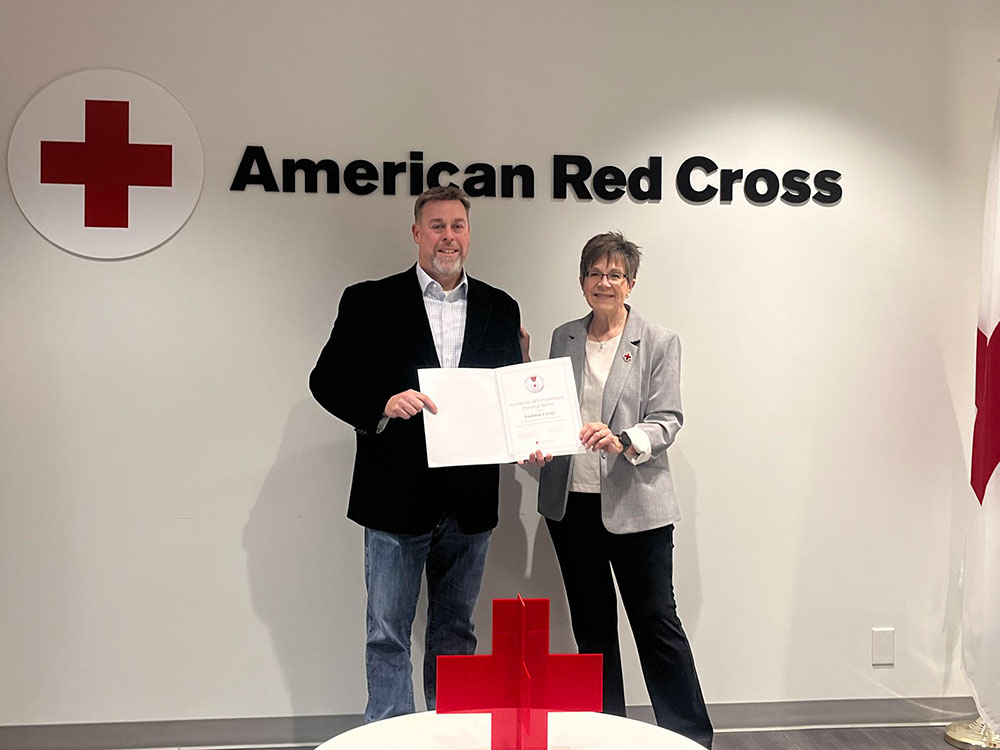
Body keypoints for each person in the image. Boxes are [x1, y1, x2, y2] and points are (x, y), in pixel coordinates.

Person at [309, 186, 524, 722]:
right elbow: (326, 380)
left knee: (456, 633)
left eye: (457, 225)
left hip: (470, 502)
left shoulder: (501, 307)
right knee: (387, 633)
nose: (447, 236)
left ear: (468, 234)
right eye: (436, 226)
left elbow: (508, 394)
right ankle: (392, 737)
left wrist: (527, 433)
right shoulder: (368, 300)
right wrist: (381, 402)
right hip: (394, 498)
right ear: (416, 233)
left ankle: (451, 736)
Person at [527, 231, 713, 748]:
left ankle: (689, 737)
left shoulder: (658, 340)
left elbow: (668, 418)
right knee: (592, 631)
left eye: (614, 274)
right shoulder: (563, 337)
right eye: (594, 273)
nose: (603, 282)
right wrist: (535, 441)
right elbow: (551, 410)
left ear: (630, 283)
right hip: (572, 505)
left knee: (656, 625)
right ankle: (604, 734)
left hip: (637, 506)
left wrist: (625, 438)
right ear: (582, 281)